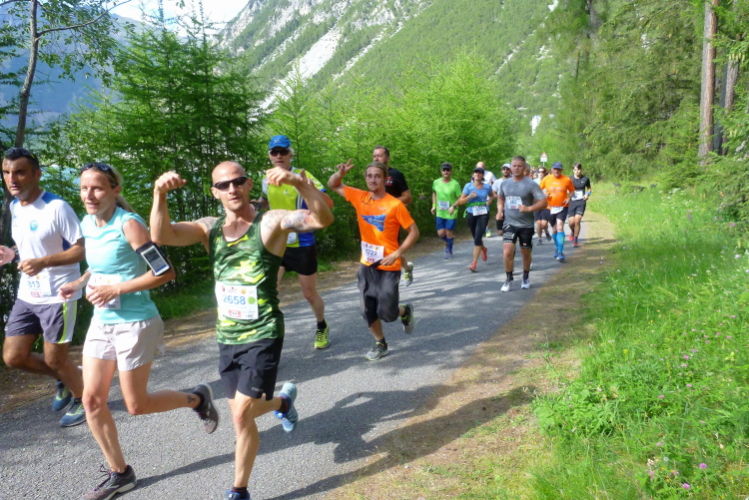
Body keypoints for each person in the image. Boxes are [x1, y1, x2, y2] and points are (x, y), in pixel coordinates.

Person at [151, 162, 334, 500]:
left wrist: (300, 184)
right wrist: (159, 195)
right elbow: (161, 236)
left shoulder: (271, 221)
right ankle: (282, 402)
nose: (232, 189)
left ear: (249, 185)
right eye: (223, 185)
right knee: (242, 416)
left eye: (238, 182)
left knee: (241, 413)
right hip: (227, 335)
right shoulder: (209, 228)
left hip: (263, 331)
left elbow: (321, 219)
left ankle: (239, 490)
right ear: (215, 192)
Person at [57, 163, 218, 499]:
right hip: (103, 320)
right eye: (84, 188)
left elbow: (164, 271)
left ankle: (197, 399)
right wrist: (79, 282)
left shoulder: (128, 224)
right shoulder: (87, 222)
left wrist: (116, 289)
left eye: (97, 188)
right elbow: (99, 267)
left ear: (114, 190)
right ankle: (120, 473)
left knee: (137, 405)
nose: (89, 195)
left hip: (135, 322)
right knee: (91, 399)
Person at [0, 147, 86, 427]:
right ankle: (66, 376)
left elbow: (81, 250)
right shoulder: (15, 206)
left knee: (55, 358)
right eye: (6, 172)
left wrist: (44, 262)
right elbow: (32, 246)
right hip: (28, 295)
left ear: (37, 174)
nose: (12, 179)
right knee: (13, 357)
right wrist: (13, 254)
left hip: (59, 294)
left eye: (20, 172)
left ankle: (84, 399)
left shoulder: (57, 207)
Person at [327, 160, 418, 361]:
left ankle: (404, 310)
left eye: (377, 176)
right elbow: (332, 185)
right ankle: (380, 343)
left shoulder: (395, 205)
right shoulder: (360, 197)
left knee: (387, 313)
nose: (373, 179)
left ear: (385, 180)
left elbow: (414, 232)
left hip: (389, 265)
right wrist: (340, 174)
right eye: (369, 176)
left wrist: (397, 253)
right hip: (367, 264)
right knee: (367, 309)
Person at [257, 135, 334, 350]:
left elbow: (328, 204)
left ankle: (321, 325)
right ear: (270, 156)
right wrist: (254, 206)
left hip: (302, 243)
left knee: (309, 294)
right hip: (277, 243)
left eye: (283, 151)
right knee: (268, 293)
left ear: (291, 154)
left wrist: (307, 188)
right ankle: (268, 337)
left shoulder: (302, 175)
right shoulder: (266, 178)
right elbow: (265, 201)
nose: (279, 156)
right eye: (274, 152)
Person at [497, 156, 547, 292]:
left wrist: (529, 209)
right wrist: (500, 210)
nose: (516, 168)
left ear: (524, 168)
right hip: (509, 222)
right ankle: (509, 279)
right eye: (514, 166)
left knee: (525, 252)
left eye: (519, 166)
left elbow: (544, 202)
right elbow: (500, 198)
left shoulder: (530, 184)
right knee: (507, 251)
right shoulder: (505, 184)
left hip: (526, 224)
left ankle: (525, 277)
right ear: (510, 167)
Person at [373, 146, 414, 286]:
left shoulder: (396, 174)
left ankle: (391, 281)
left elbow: (408, 198)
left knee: (391, 248)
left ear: (387, 157)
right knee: (380, 247)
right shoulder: (372, 175)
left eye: (379, 155)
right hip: (375, 217)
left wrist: (389, 204)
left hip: (392, 217)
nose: (376, 158)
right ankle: (406, 268)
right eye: (374, 156)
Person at [453, 166, 493, 272]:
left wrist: (490, 200)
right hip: (471, 213)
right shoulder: (468, 186)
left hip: (483, 213)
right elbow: (461, 201)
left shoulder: (487, 187)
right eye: (475, 172)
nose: (477, 174)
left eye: (479, 173)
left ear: (482, 175)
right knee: (476, 237)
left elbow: (492, 196)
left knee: (478, 237)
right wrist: (469, 197)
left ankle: (474, 263)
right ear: (473, 175)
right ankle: (483, 248)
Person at [539, 162, 575, 262]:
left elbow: (572, 191)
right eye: (555, 169)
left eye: (559, 169)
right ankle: (557, 247)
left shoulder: (566, 179)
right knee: (554, 230)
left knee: (560, 227)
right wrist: (543, 194)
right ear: (551, 169)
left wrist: (569, 198)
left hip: (562, 207)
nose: (556, 171)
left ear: (562, 170)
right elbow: (538, 190)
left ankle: (560, 252)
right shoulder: (546, 179)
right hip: (549, 207)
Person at [431, 162, 461, 258]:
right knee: (440, 233)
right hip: (440, 211)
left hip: (451, 212)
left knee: (448, 232)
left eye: (448, 170)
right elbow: (434, 193)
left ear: (451, 171)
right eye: (444, 170)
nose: (446, 172)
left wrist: (453, 206)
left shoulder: (455, 184)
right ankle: (449, 241)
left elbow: (460, 198)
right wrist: (434, 205)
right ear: (441, 171)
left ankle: (449, 250)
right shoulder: (436, 182)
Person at [567, 163, 592, 247]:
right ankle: (573, 231)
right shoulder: (569, 179)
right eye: (575, 170)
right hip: (572, 202)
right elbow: (565, 188)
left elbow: (589, 188)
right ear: (573, 170)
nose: (577, 171)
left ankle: (575, 240)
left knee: (577, 220)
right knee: (571, 222)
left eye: (578, 170)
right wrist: (568, 194)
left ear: (581, 170)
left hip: (581, 201)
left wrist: (587, 194)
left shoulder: (585, 179)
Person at [476, 162, 496, 237]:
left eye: (481, 167)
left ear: (484, 167)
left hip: (487, 198)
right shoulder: (475, 174)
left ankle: (487, 229)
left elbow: (496, 182)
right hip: (477, 198)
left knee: (485, 214)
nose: (480, 168)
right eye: (478, 167)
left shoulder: (489, 174)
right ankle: (481, 229)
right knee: (478, 214)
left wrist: (492, 190)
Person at [533, 166, 552, 245]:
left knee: (543, 224)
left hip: (546, 204)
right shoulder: (533, 182)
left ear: (545, 173)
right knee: (538, 223)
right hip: (536, 204)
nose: (540, 173)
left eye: (542, 172)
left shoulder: (548, 181)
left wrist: (548, 194)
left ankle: (546, 231)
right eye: (539, 172)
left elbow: (552, 191)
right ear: (537, 173)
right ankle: (539, 238)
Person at [492, 164, 511, 237]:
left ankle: (510, 241)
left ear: (510, 170)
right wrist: (500, 197)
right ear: (501, 170)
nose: (505, 171)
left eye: (507, 169)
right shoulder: (497, 182)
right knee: (500, 232)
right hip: (501, 207)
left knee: (511, 230)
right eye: (504, 169)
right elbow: (492, 194)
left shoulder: (514, 180)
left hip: (512, 207)